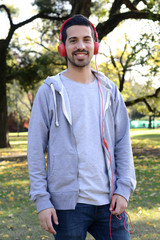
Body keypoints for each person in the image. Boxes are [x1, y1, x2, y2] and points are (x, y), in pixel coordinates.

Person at [27, 14, 136, 240]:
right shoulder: (49, 91)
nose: (80, 46)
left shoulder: (110, 91)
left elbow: (122, 142)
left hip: (110, 203)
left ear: (94, 46)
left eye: (86, 39)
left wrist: (123, 189)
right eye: (73, 40)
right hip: (66, 208)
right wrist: (41, 200)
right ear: (63, 47)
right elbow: (35, 150)